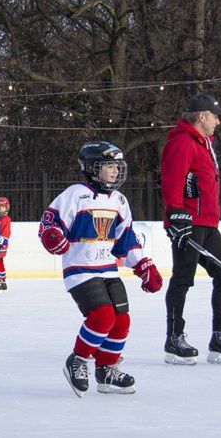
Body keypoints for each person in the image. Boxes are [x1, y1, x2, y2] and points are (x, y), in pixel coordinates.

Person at [39, 141, 162, 397]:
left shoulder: (119, 201)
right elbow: (50, 221)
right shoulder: (75, 194)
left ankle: (106, 370)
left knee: (121, 321)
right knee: (102, 317)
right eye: (109, 166)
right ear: (93, 169)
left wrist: (143, 265)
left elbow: (125, 240)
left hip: (107, 270)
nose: (115, 171)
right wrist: (52, 235)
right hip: (80, 270)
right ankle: (78, 360)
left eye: (117, 166)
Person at [160, 93, 221, 366]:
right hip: (189, 224)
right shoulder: (183, 143)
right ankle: (174, 339)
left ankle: (219, 337)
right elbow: (172, 179)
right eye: (216, 115)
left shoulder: (205, 143)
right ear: (202, 116)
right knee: (183, 278)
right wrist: (175, 213)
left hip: (208, 223)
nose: (219, 121)